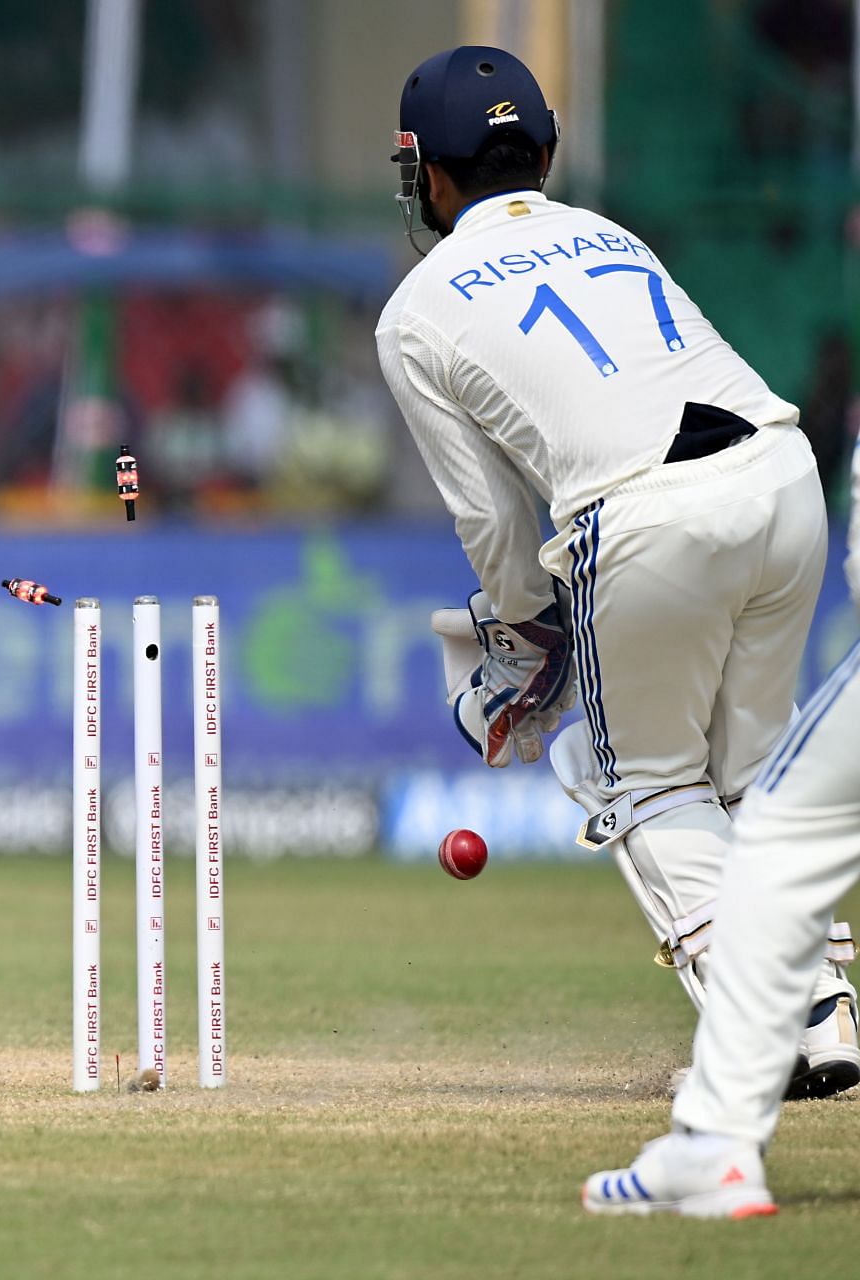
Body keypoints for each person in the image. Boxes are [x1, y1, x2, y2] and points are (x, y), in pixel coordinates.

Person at [375, 47, 856, 1094]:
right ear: (544, 148)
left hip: (646, 514)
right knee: (745, 773)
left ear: (427, 175)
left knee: (630, 772)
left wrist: (520, 639)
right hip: (781, 474)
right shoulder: (604, 230)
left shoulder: (416, 311)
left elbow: (491, 519)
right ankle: (823, 1009)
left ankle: (772, 1025)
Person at [582, 453, 860, 1218]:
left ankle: (724, 1136)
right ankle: (815, 1021)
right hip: (776, 489)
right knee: (774, 806)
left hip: (682, 507)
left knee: (776, 822)